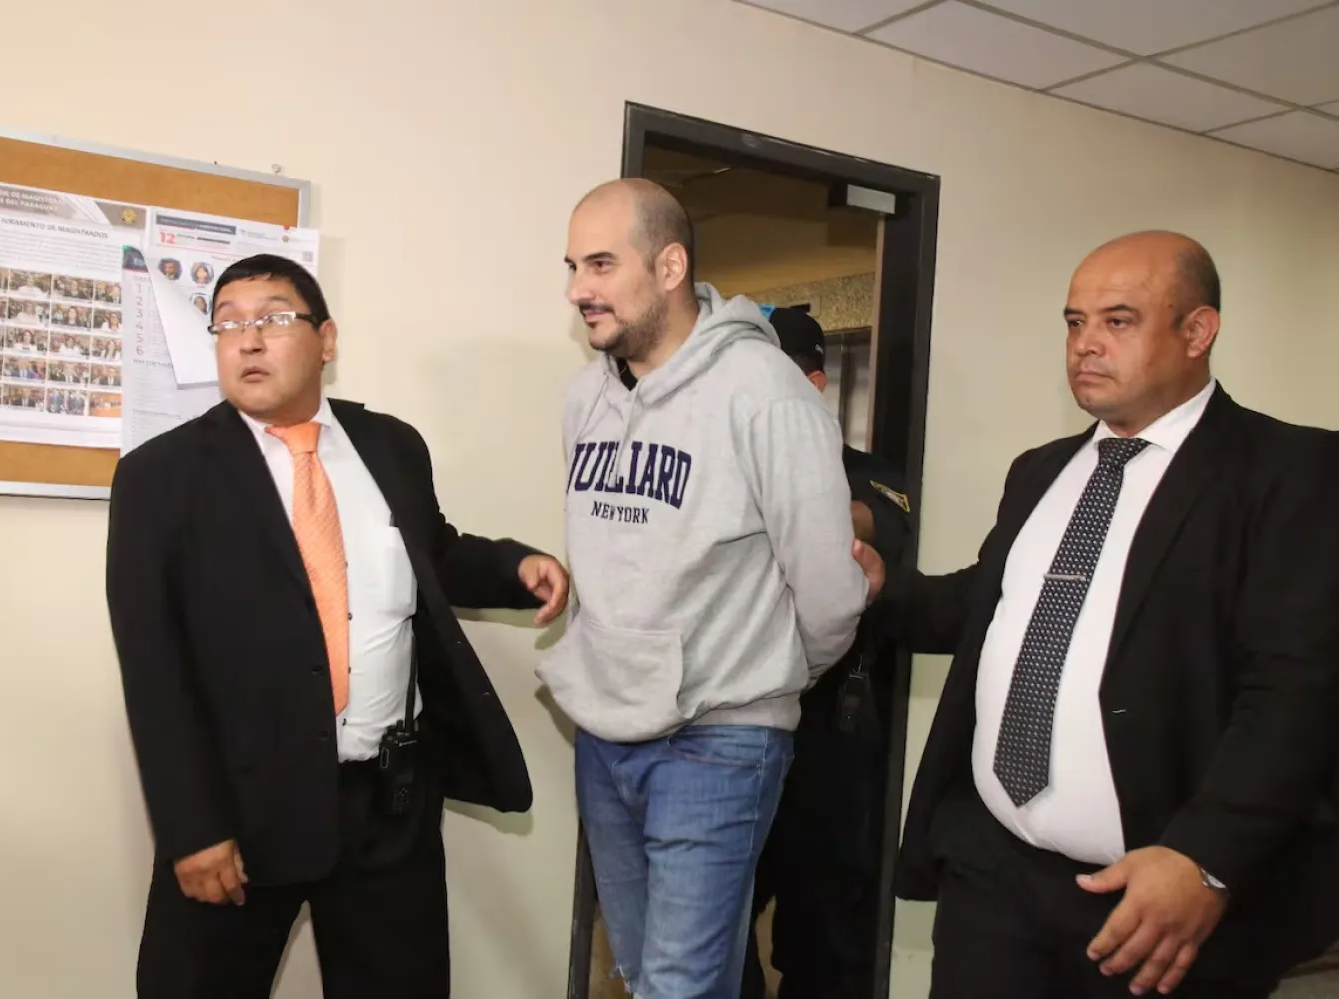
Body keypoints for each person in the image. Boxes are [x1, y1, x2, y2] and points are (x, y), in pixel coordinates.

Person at [856, 231, 1339, 999]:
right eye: (1075, 322)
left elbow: (1295, 695)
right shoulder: (1041, 470)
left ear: (1197, 330)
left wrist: (1205, 860)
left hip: (1153, 898)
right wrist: (884, 590)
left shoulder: (1290, 471)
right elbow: (994, 606)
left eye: (1118, 320)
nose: (1086, 344)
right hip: (992, 870)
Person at [106, 253, 570, 999]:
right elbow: (152, 667)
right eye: (227, 323)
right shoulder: (160, 477)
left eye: (272, 318)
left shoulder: (390, 446)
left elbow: (430, 552)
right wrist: (192, 828)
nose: (247, 339)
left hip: (387, 804)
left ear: (326, 340)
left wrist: (515, 567)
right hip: (241, 811)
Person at [541, 179, 870, 999]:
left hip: (719, 739)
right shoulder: (585, 397)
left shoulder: (764, 392)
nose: (579, 288)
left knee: (678, 987)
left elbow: (829, 590)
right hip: (606, 731)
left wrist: (765, 681)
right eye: (574, 266)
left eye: (601, 264)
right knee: (643, 973)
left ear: (669, 266)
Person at [741, 305, 913, 999]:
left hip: (826, 741)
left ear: (812, 384)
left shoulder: (867, 474)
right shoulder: (721, 459)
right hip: (735, 727)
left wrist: (783, 497)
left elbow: (877, 520)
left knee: (823, 943)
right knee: (714, 923)